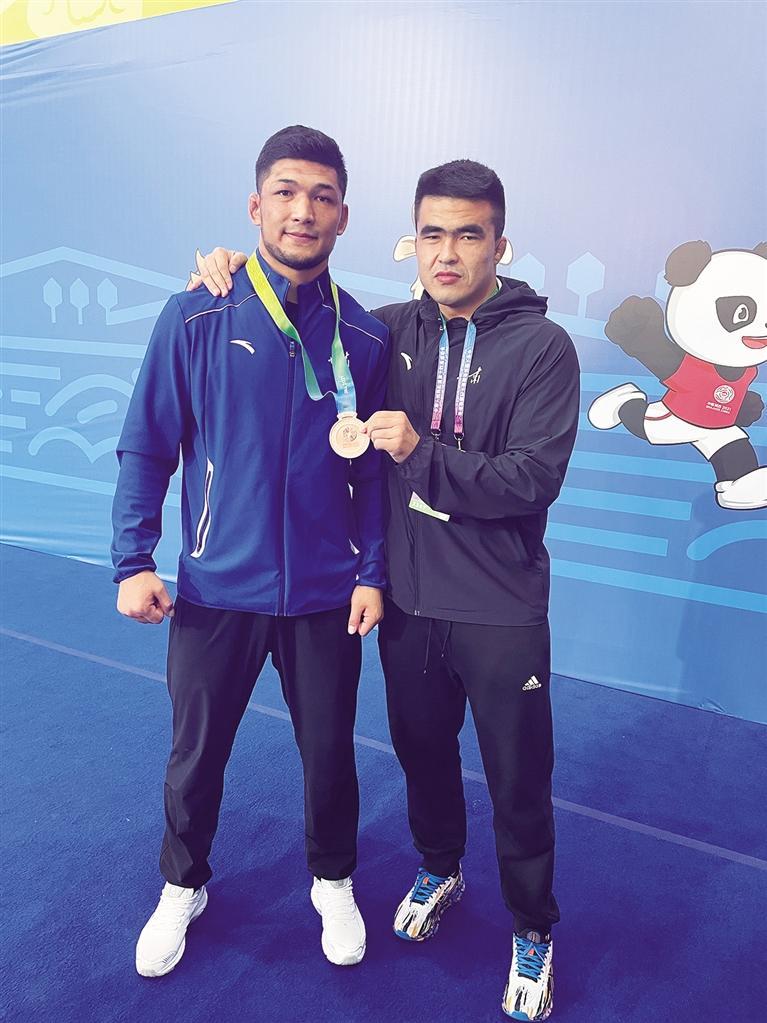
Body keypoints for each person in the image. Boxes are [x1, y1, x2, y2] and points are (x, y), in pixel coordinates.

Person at [191, 159, 580, 1022]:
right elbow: (298, 308)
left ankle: (532, 925)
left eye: (468, 235)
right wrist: (229, 270)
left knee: (518, 777)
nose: (447, 253)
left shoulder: (542, 347)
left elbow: (531, 479)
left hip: (500, 607)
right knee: (422, 754)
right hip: (407, 601)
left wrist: (418, 453)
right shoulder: (386, 332)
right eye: (432, 233)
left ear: (499, 245)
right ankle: (441, 868)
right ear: (413, 240)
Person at [111, 125, 389, 978]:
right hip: (215, 587)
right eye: (286, 192)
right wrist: (133, 559)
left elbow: (375, 472)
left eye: (322, 196)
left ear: (343, 216)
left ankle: (332, 880)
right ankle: (182, 884)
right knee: (194, 756)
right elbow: (148, 442)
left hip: (324, 592)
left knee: (329, 754)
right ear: (255, 205)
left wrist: (372, 570)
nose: (303, 210)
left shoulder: (365, 338)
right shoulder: (196, 312)